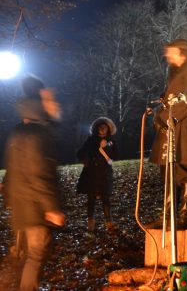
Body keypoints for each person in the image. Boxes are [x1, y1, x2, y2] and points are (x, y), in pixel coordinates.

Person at [2, 76, 66, 291]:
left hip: (25, 203)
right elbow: (38, 173)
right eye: (50, 100)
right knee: (37, 253)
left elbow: (14, 168)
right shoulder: (37, 135)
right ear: (40, 104)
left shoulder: (23, 130)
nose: (55, 104)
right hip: (34, 206)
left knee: (32, 253)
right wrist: (51, 208)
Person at [150, 38, 187, 228]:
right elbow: (168, 99)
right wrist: (159, 116)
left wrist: (168, 117)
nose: (167, 54)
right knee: (167, 171)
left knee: (183, 169)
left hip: (183, 128)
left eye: (171, 51)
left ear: (182, 52)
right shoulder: (174, 75)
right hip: (169, 128)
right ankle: (168, 213)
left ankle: (185, 214)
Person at [76, 117, 118, 232]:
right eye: (100, 127)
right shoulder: (91, 140)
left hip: (105, 173)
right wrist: (85, 161)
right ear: (96, 128)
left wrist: (107, 147)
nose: (102, 129)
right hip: (92, 173)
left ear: (108, 129)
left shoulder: (112, 141)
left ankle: (109, 223)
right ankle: (90, 224)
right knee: (91, 199)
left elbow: (115, 156)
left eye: (104, 127)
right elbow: (80, 153)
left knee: (106, 198)